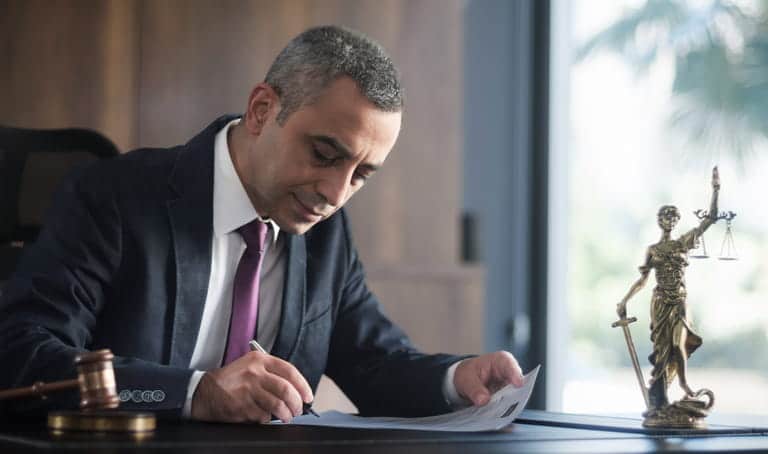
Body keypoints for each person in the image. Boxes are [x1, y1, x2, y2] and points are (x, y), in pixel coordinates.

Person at [0, 25, 523, 422]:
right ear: (260, 109)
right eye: (324, 154)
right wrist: (194, 392)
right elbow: (23, 356)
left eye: (361, 174)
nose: (335, 194)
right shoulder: (114, 196)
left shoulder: (325, 234)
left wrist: (459, 380)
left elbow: (373, 362)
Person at [617, 167, 720, 411]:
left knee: (677, 344)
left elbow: (712, 217)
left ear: (677, 221)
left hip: (679, 301)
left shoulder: (683, 243)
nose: (669, 221)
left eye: (673, 217)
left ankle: (684, 385)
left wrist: (715, 189)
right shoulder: (653, 249)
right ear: (659, 221)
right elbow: (643, 280)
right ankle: (660, 398)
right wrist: (624, 300)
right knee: (662, 350)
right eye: (664, 217)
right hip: (660, 301)